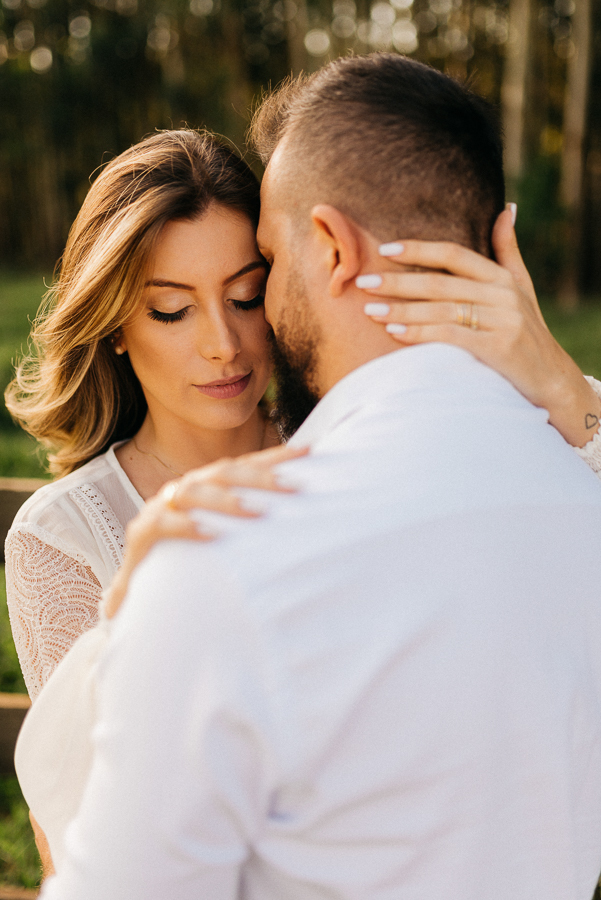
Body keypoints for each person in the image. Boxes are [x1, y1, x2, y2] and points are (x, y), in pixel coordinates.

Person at [32, 53, 601, 900]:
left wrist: (555, 374)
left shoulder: (235, 557)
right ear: (117, 321)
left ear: (325, 247)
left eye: (255, 280)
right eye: (171, 307)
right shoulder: (567, 501)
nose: (223, 344)